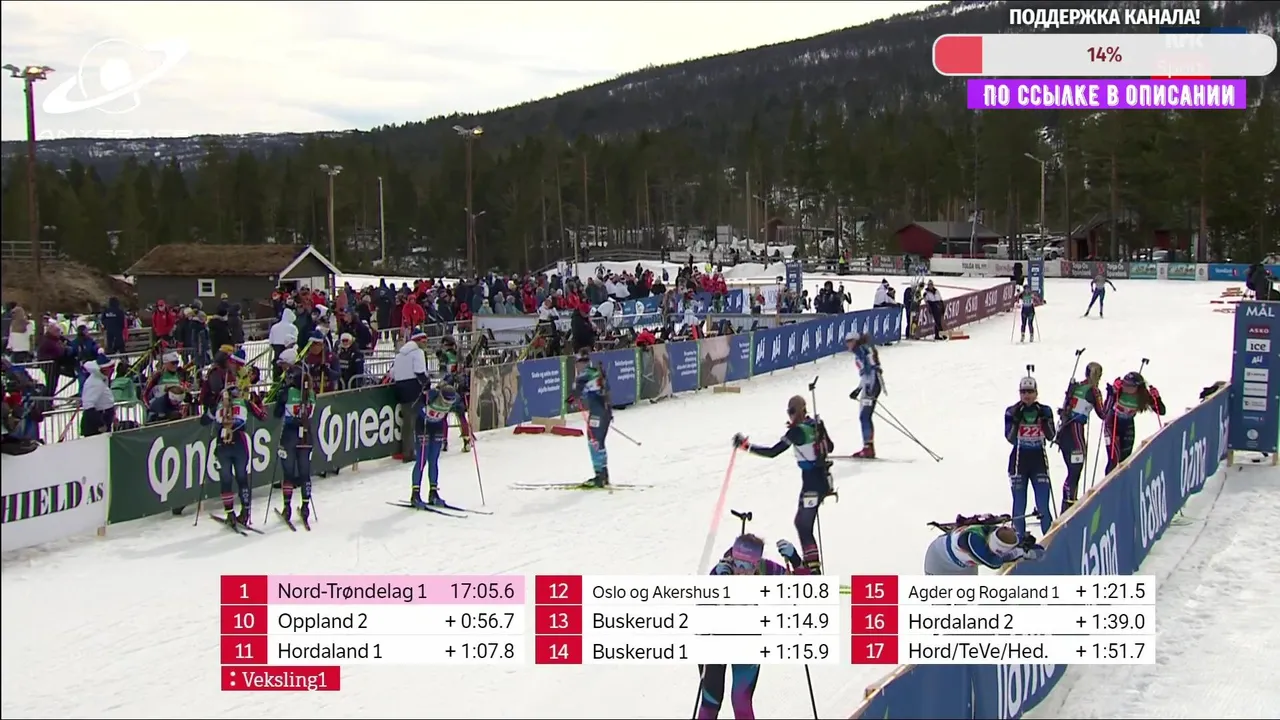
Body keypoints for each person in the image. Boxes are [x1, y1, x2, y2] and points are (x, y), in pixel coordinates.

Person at [697, 533, 812, 720]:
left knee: (741, 702)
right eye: (738, 564)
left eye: (748, 566)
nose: (741, 571)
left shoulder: (766, 570)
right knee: (711, 703)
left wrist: (795, 559)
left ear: (757, 564)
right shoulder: (722, 572)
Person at [731, 395, 833, 573]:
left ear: (799, 410)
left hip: (812, 484)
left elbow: (773, 452)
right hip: (822, 479)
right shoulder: (815, 424)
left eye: (791, 411)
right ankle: (812, 567)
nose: (790, 415)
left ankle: (813, 571)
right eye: (788, 411)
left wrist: (746, 446)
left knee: (803, 525)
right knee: (802, 524)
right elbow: (830, 447)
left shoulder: (797, 431)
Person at [201, 349, 265, 528]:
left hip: (223, 444)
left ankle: (230, 513)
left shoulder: (218, 404)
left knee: (226, 479)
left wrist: (214, 411)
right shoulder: (244, 401)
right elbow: (263, 416)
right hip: (240, 442)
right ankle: (245, 512)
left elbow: (203, 421)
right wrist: (258, 403)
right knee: (242, 478)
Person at [1004, 376, 1056, 536]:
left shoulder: (1045, 410)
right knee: (1019, 505)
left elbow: (1051, 436)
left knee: (1043, 505)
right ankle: (1018, 539)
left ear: (1036, 393)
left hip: (1038, 461)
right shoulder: (1012, 411)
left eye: (1030, 391)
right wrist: (1016, 422)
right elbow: (1010, 438)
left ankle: (1050, 539)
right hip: (1019, 462)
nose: (1027, 395)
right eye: (1023, 392)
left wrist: (1044, 422)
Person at [410, 383, 471, 509]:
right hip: (423, 426)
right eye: (445, 401)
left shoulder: (455, 399)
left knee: (434, 460)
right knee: (422, 460)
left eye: (450, 402)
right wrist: (423, 402)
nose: (447, 404)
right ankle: (415, 494)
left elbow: (460, 410)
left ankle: (433, 492)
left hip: (437, 427)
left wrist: (463, 401)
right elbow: (415, 407)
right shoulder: (432, 395)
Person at [274, 348, 316, 528]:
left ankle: (287, 508)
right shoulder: (311, 392)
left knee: (288, 474)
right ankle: (305, 507)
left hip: (289, 435)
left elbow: (277, 413)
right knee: (305, 473)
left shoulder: (287, 392)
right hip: (306, 434)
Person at [922, 514, 1044, 575]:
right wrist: (1021, 553)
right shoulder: (972, 540)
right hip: (938, 562)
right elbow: (994, 563)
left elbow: (1039, 551)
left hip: (964, 567)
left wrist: (1026, 544)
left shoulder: (993, 533)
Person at [1057, 361, 1104, 511]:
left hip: (1064, 431)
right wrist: (1112, 397)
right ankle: (1069, 504)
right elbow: (1103, 413)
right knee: (1075, 470)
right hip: (1075, 430)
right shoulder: (1093, 391)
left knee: (1073, 470)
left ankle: (1067, 503)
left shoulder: (1076, 386)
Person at [1102, 371, 1166, 474]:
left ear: (1137, 387)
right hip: (1112, 424)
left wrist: (1157, 398)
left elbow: (1161, 411)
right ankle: (1108, 482)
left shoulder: (1143, 396)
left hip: (1127, 424)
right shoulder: (1119, 391)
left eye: (1129, 386)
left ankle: (1122, 481)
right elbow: (1104, 411)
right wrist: (1112, 392)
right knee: (1114, 458)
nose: (1125, 387)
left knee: (1125, 460)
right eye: (1124, 384)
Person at [568, 349, 613, 488]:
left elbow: (574, 394)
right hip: (606, 412)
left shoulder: (584, 375)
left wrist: (571, 398)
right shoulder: (596, 372)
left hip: (597, 414)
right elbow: (607, 390)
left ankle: (600, 476)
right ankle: (604, 474)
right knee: (599, 442)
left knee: (593, 441)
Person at [846, 332, 883, 459]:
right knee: (865, 416)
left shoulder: (861, 352)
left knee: (864, 416)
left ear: (855, 341)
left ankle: (868, 447)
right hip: (872, 384)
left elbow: (869, 372)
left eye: (849, 341)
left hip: (871, 385)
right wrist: (859, 389)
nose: (847, 344)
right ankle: (868, 446)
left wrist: (864, 389)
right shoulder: (864, 349)